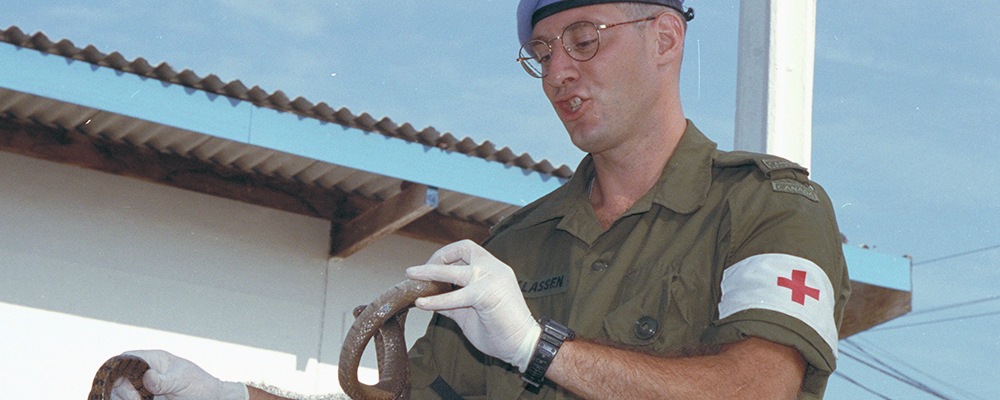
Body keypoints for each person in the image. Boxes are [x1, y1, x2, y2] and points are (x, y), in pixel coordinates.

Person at [111, 1, 849, 399]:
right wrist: (231, 399)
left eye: (584, 40)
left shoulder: (770, 207)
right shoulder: (514, 248)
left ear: (664, 38)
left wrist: (537, 348)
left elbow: (758, 391)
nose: (558, 73)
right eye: (543, 53)